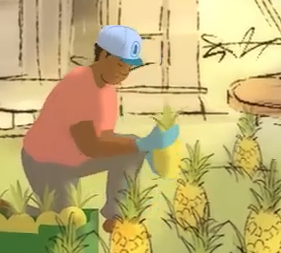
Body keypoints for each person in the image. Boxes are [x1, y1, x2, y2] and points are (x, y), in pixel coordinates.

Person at [19, 25, 178, 232]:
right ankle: (11, 211)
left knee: (129, 148)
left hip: (73, 159)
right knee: (65, 223)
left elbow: (106, 138)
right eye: (121, 65)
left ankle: (118, 215)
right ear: (103, 55)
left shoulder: (107, 90)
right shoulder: (79, 84)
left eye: (130, 68)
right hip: (46, 163)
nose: (125, 74)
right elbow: (90, 146)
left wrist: (141, 148)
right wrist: (142, 144)